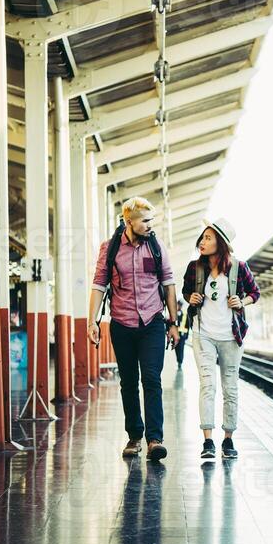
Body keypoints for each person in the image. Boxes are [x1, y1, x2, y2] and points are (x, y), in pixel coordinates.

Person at [88, 196, 180, 461]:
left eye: (152, 219)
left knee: (151, 379)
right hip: (122, 324)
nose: (151, 225)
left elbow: (168, 285)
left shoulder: (157, 247)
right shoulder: (110, 248)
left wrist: (172, 323)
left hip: (152, 322)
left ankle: (155, 439)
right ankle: (134, 436)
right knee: (128, 382)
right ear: (129, 221)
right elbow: (99, 285)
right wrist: (92, 320)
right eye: (146, 220)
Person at [182, 218, 260, 461]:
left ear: (221, 243)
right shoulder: (194, 267)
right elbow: (186, 291)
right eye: (202, 237)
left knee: (230, 388)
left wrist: (241, 301)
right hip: (202, 333)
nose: (202, 242)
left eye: (208, 238)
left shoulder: (239, 267)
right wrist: (191, 298)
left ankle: (228, 439)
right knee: (208, 385)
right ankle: (207, 441)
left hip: (231, 336)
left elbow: (254, 293)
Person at [174, 299, 188, 369]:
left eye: (180, 305)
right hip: (176, 334)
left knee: (181, 348)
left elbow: (188, 325)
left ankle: (180, 361)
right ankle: (178, 360)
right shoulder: (174, 314)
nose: (179, 306)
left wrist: (186, 336)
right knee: (176, 348)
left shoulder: (185, 314)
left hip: (182, 335)